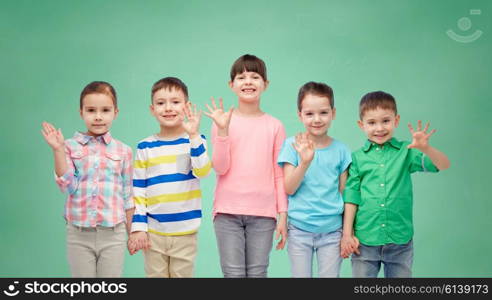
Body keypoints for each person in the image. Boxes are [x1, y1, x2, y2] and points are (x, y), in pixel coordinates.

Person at [341, 91, 451, 277]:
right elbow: (351, 197)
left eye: (386, 121)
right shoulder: (357, 158)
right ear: (361, 125)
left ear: (396, 120)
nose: (379, 128)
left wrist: (426, 148)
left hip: (400, 241)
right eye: (372, 122)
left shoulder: (406, 152)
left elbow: (443, 165)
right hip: (365, 240)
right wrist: (347, 234)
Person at [204, 54, 288, 277]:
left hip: (263, 214)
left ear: (265, 84)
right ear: (232, 85)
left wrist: (283, 214)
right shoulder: (222, 121)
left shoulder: (275, 126)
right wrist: (222, 130)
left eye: (255, 76)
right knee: (233, 275)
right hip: (227, 212)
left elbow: (279, 174)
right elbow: (220, 168)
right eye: (241, 77)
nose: (248, 82)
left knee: (258, 274)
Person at [41, 81, 134, 277]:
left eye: (105, 110)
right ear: (81, 112)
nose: (98, 116)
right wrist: (58, 150)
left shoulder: (123, 151)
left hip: (114, 234)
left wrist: (132, 232)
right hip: (79, 233)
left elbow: (128, 196)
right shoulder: (69, 146)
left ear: (115, 113)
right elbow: (67, 185)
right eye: (91, 110)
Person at [128, 77, 211, 278]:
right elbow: (138, 189)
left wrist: (193, 136)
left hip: (185, 231)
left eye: (175, 102)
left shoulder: (195, 141)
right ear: (152, 109)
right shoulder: (145, 146)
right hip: (154, 231)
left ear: (186, 106)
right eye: (161, 103)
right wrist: (138, 227)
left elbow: (203, 171)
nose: (168, 108)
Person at [277, 81, 352, 277]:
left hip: (332, 232)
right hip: (299, 231)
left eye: (323, 113)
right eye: (309, 114)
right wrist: (305, 161)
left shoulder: (342, 150)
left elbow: (345, 195)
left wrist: (347, 234)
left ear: (333, 113)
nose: (317, 119)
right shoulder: (291, 145)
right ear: (299, 115)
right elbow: (289, 188)